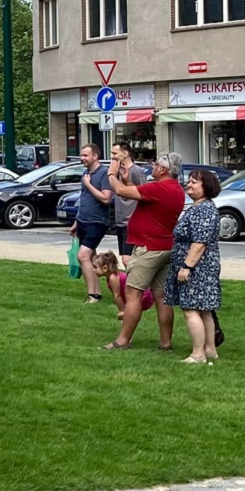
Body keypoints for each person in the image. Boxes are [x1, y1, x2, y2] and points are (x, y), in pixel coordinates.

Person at [103, 153, 185, 351]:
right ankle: (165, 343)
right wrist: (127, 180)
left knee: (133, 293)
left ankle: (123, 341)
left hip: (149, 248)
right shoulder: (176, 190)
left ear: (163, 170)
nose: (153, 167)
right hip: (165, 247)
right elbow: (137, 193)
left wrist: (112, 175)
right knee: (161, 296)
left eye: (156, 164)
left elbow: (120, 191)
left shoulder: (159, 188)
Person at [165, 170, 222, 365]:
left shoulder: (204, 210)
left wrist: (186, 267)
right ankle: (210, 350)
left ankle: (198, 354)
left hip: (198, 267)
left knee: (191, 309)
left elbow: (199, 243)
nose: (188, 185)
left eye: (193, 182)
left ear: (206, 186)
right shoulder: (198, 207)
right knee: (204, 309)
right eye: (188, 181)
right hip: (199, 265)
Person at [70, 145, 113, 304]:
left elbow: (106, 198)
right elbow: (84, 198)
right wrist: (76, 222)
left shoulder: (104, 173)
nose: (82, 158)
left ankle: (92, 295)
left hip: (97, 222)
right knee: (91, 258)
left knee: (82, 256)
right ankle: (97, 292)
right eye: (81, 155)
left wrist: (88, 184)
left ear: (95, 156)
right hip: (83, 221)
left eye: (85, 155)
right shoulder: (86, 173)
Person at [110, 142, 147, 265]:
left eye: (115, 153)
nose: (112, 156)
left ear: (125, 153)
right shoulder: (117, 171)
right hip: (120, 222)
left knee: (127, 260)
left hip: (132, 222)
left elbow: (145, 194)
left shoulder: (136, 171)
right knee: (125, 259)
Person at [92, 251, 154, 320]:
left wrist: (121, 311)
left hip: (142, 297)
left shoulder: (113, 278)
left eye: (95, 267)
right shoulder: (111, 276)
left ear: (105, 268)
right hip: (139, 295)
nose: (93, 270)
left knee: (130, 317)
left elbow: (117, 296)